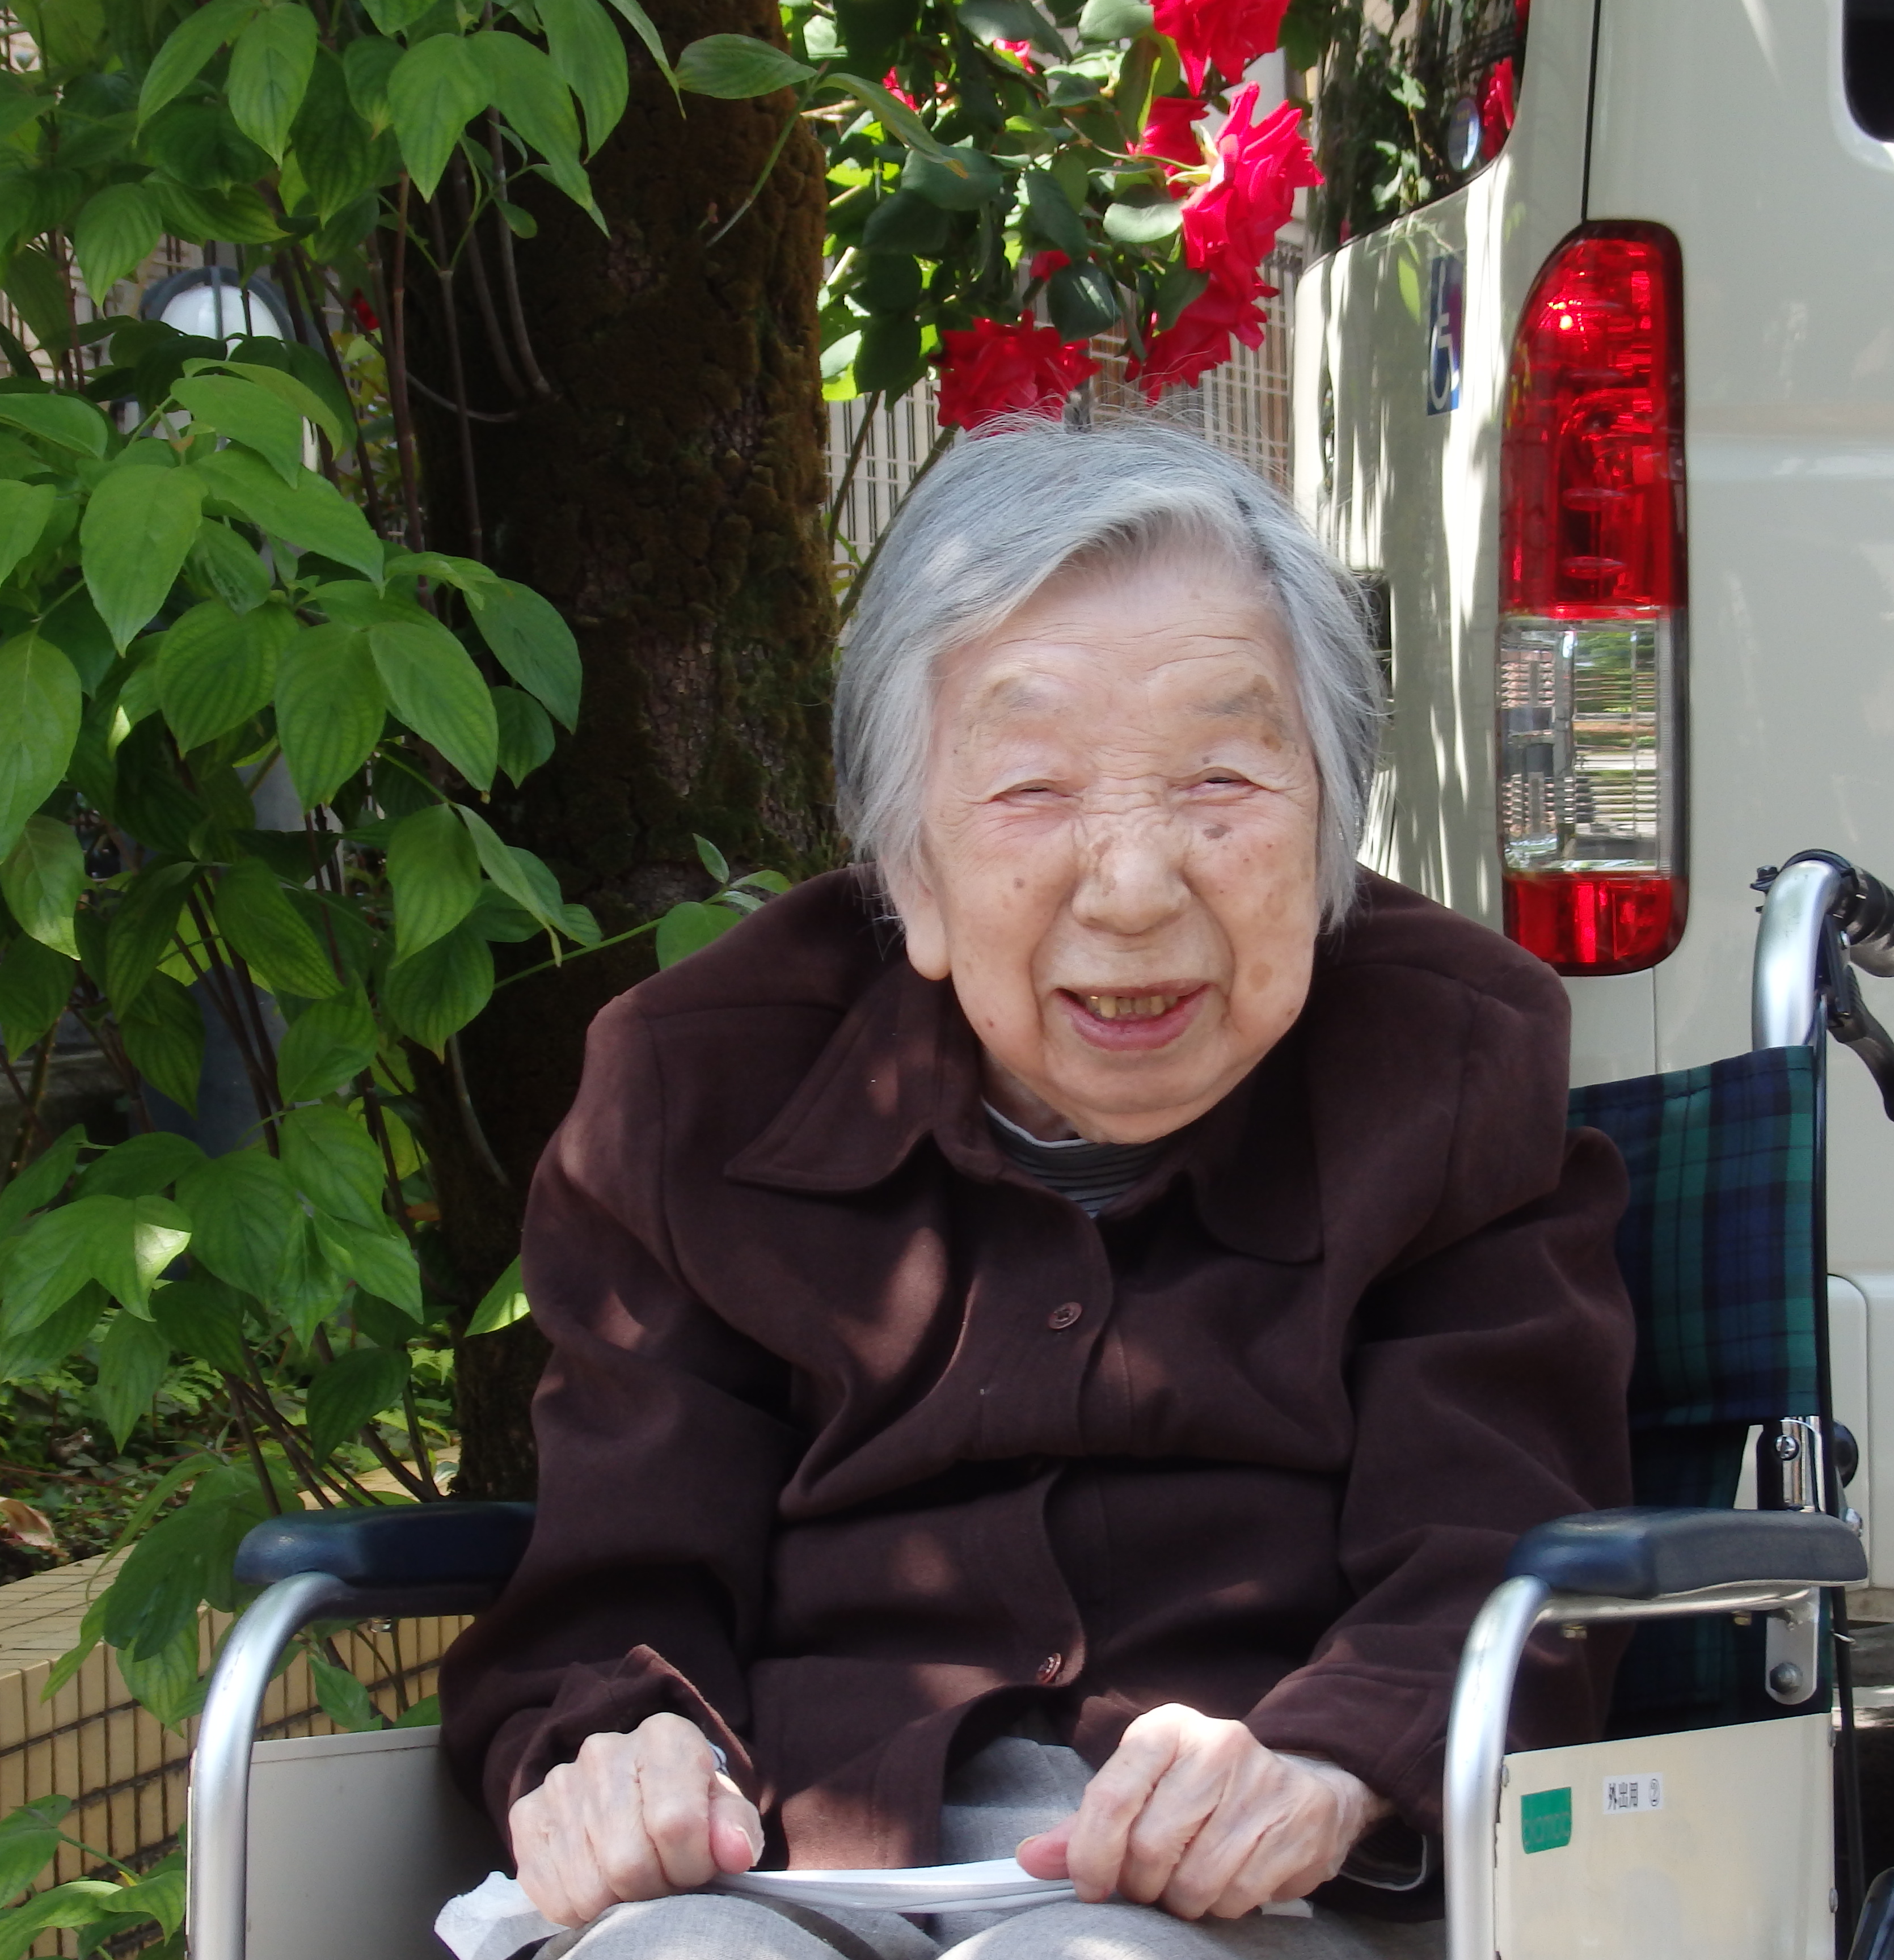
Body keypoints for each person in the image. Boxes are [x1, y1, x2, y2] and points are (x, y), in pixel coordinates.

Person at [437, 419, 1635, 1960]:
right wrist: (619, 1749)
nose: (1132, 887)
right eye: (1031, 791)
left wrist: (1335, 1765)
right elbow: (618, 1579)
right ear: (909, 877)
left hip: (1246, 1892)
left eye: (1220, 778)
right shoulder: (696, 1090)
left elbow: (1496, 1556)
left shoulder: (1453, 1067)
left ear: (1333, 827)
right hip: (793, 1858)